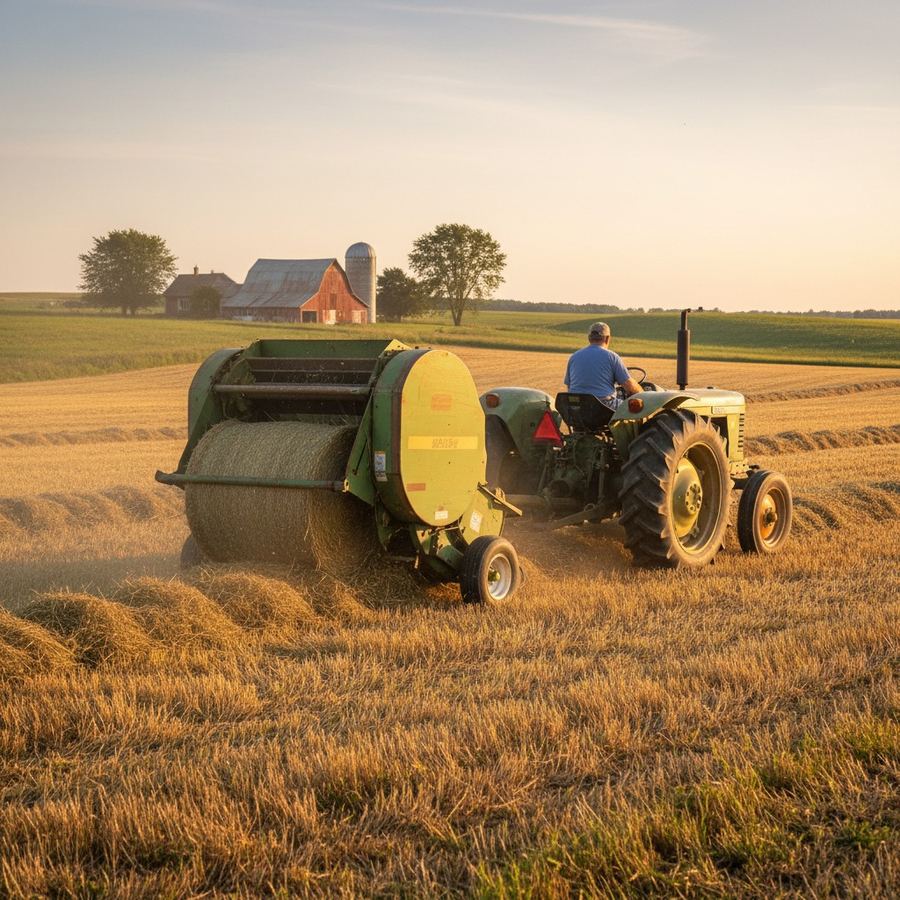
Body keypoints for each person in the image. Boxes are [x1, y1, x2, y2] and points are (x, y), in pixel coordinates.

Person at [564, 322, 642, 408]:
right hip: (603, 407)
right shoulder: (612, 357)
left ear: (589, 338)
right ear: (607, 338)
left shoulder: (574, 357)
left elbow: (569, 386)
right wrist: (643, 395)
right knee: (632, 408)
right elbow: (629, 386)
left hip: (577, 408)